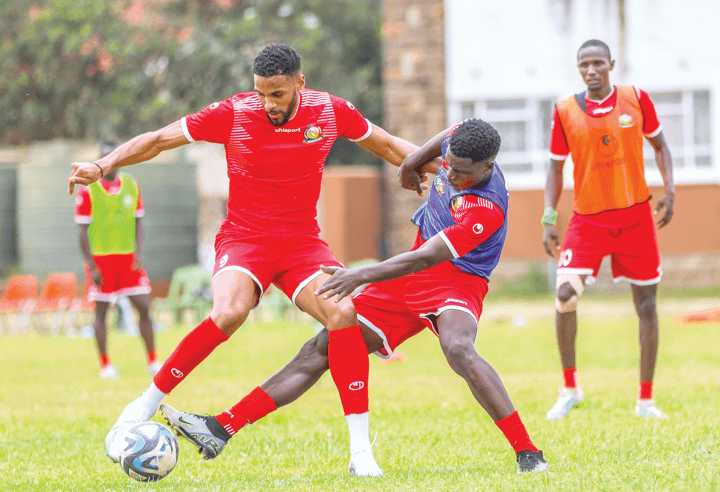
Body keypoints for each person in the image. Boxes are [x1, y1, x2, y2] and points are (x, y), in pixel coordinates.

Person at [68, 44, 435, 476]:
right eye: (261, 93)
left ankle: (360, 454)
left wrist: (446, 169)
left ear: (300, 83)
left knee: (343, 314)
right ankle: (140, 407)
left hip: (302, 243)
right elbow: (158, 139)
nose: (268, 104)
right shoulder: (234, 113)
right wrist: (103, 163)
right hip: (245, 238)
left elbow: (391, 146)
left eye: (277, 94)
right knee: (229, 312)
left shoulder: (331, 112)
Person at [159, 119, 549, 474]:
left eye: (461, 171)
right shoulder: (458, 145)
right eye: (448, 163)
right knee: (321, 349)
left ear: (487, 168)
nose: (449, 172)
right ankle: (220, 428)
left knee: (459, 348)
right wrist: (412, 161)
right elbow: (444, 138)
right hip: (404, 282)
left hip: (455, 281)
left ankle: (527, 452)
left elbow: (427, 257)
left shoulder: (487, 208)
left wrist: (359, 275)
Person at [542, 40, 674, 420]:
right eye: (584, 64)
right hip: (588, 220)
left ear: (611, 64)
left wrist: (671, 189)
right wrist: (549, 218)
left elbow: (661, 146)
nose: (592, 70)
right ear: (578, 68)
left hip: (635, 217)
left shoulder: (636, 99)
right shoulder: (565, 111)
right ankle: (570, 389)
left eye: (598, 63)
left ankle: (646, 401)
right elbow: (553, 168)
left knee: (646, 305)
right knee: (565, 295)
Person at [75, 142, 161, 379]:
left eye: (111, 157)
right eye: (102, 157)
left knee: (144, 306)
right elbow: (82, 231)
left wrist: (139, 252)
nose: (107, 162)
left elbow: (139, 220)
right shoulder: (88, 189)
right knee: (102, 312)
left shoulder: (132, 184)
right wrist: (91, 265)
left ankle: (153, 360)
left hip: (129, 258)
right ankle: (105, 365)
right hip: (101, 261)